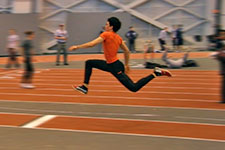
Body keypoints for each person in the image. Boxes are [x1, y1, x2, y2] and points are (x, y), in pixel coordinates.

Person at [69, 17, 172, 94]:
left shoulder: (106, 34)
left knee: (134, 88)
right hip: (111, 64)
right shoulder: (118, 37)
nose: (105, 26)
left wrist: (77, 47)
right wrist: (127, 65)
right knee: (89, 63)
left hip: (115, 66)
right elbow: (127, 51)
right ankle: (85, 87)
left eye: (107, 24)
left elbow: (92, 44)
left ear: (111, 27)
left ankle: (155, 73)